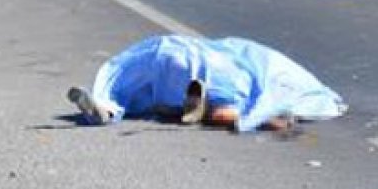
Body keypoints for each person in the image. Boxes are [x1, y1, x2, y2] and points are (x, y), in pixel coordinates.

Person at [66, 35, 347, 132]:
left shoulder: (242, 54)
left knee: (127, 84)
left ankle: (107, 107)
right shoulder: (265, 73)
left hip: (169, 51)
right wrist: (264, 118)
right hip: (212, 74)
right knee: (226, 102)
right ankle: (190, 107)